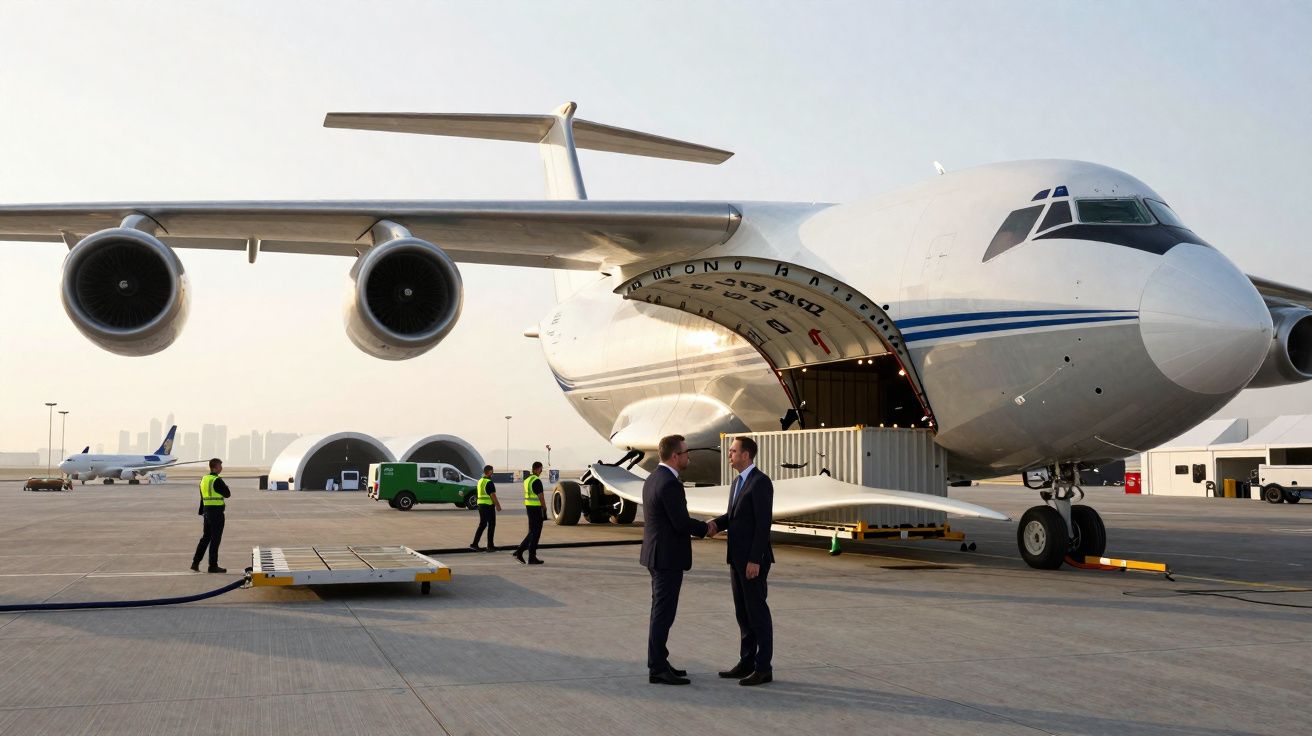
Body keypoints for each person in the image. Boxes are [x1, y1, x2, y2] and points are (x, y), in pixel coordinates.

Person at [640, 434, 709, 685]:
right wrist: (705, 528)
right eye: (685, 452)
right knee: (663, 614)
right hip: (667, 558)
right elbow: (680, 523)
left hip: (656, 555)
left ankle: (659, 661)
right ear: (674, 456)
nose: (688, 456)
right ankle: (657, 668)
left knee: (659, 611)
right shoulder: (669, 483)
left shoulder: (652, 478)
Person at [706, 436, 775, 686]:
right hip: (736, 559)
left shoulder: (760, 482)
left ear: (746, 455)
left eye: (733, 451)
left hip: (752, 561)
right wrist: (714, 524)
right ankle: (746, 661)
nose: (729, 454)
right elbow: (734, 516)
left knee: (757, 613)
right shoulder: (737, 482)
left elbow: (763, 523)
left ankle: (763, 667)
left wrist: (755, 559)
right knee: (743, 613)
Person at [191, 458, 231, 573]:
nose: (221, 468)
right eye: (220, 466)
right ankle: (212, 565)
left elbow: (202, 496)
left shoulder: (204, 479)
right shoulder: (217, 480)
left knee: (205, 538)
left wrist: (202, 511)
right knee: (215, 539)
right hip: (217, 513)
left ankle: (195, 562)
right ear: (215, 467)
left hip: (207, 512)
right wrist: (226, 487)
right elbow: (227, 494)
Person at [513, 461, 546, 565]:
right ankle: (522, 552)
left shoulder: (527, 480)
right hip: (536, 509)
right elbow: (540, 496)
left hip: (529, 507)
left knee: (532, 531)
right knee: (535, 533)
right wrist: (544, 507)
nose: (541, 471)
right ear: (537, 469)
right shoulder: (536, 480)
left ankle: (530, 556)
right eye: (541, 469)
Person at [469, 465, 500, 552]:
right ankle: (490, 546)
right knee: (491, 524)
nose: (493, 473)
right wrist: (497, 505)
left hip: (481, 505)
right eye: (492, 471)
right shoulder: (489, 482)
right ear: (489, 472)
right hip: (488, 505)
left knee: (482, 524)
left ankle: (474, 544)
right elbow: (492, 495)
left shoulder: (480, 481)